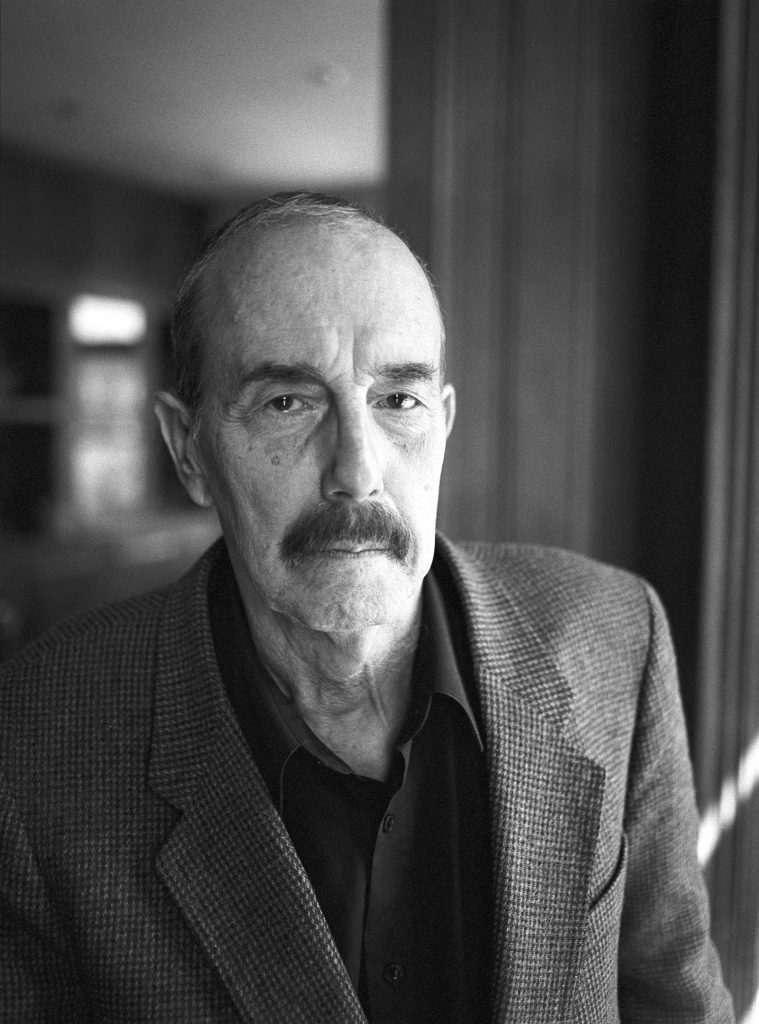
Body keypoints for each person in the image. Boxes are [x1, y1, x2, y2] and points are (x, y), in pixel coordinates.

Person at [0, 192, 733, 1023]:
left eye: (397, 401)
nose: (357, 471)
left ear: (442, 425)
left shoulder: (614, 635)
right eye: (287, 402)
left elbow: (674, 1001)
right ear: (188, 449)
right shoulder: (33, 746)